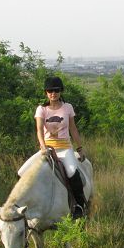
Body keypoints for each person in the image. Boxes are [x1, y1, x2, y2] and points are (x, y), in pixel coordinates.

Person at [19, 76, 87, 218]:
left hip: (65, 148)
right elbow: (39, 130)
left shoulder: (68, 107)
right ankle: (22, 206)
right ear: (46, 93)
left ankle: (79, 205)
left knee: (72, 172)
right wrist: (43, 147)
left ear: (60, 91)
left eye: (56, 90)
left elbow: (73, 129)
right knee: (22, 171)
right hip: (47, 148)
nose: (53, 93)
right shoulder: (41, 109)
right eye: (50, 91)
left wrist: (79, 147)